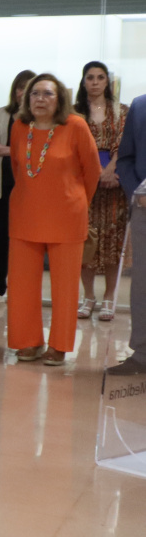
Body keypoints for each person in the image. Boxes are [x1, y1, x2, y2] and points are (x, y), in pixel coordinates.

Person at [7, 74, 100, 365]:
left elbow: (92, 172)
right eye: (35, 94)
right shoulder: (20, 127)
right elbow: (17, 168)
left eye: (47, 93)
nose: (40, 99)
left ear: (59, 98)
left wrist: (76, 202)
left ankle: (58, 346)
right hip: (25, 216)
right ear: (26, 99)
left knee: (64, 287)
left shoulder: (76, 125)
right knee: (22, 285)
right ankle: (27, 342)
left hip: (67, 217)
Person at [76, 60, 128, 321]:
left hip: (115, 186)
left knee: (111, 242)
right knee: (85, 242)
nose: (95, 82)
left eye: (100, 78)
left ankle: (109, 296)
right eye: (90, 77)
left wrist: (111, 170)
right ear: (83, 81)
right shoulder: (73, 113)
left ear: (108, 82)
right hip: (83, 187)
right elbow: (75, 148)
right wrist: (96, 172)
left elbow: (125, 145)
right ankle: (88, 296)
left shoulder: (122, 111)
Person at [0, 71, 35, 309]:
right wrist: (17, 150)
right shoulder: (1, 114)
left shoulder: (39, 117)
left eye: (28, 88)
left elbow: (37, 150)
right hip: (1, 185)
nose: (22, 92)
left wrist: (11, 149)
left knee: (26, 240)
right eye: (19, 87)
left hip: (30, 188)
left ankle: (23, 287)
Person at [107, 83, 146, 375]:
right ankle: (142, 354)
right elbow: (128, 157)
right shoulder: (140, 105)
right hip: (144, 206)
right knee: (143, 282)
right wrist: (137, 191)